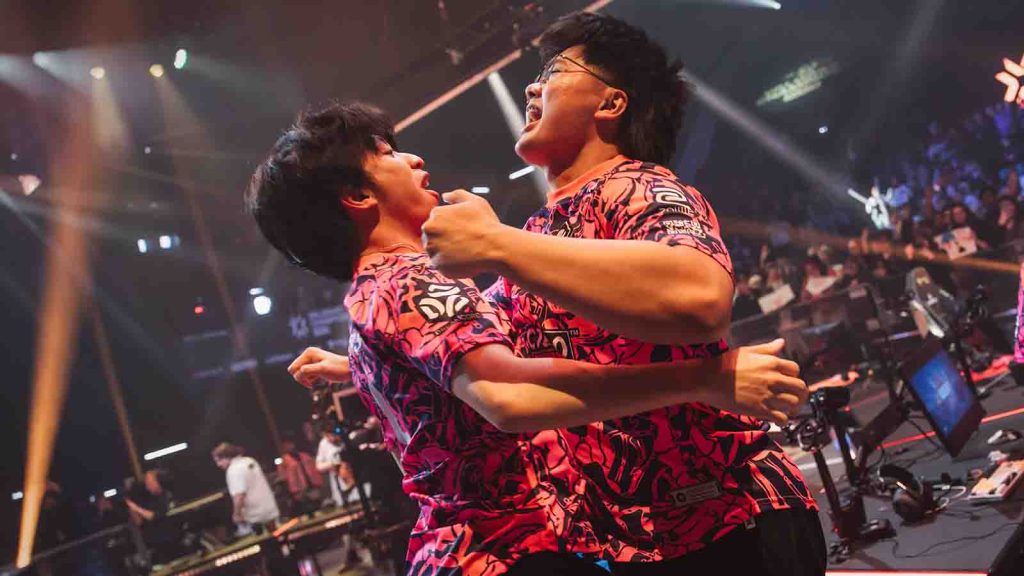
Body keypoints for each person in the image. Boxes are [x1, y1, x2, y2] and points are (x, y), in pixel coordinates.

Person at [248, 102, 807, 575]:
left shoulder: (375, 295)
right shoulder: (410, 279)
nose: (413, 158)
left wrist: (354, 366)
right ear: (356, 194)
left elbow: (465, 364)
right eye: (388, 154)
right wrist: (708, 379)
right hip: (509, 554)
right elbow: (508, 396)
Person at [422, 12, 824, 575]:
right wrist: (369, 355)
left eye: (553, 71)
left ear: (611, 104)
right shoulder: (539, 234)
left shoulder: (640, 186)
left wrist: (496, 244)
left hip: (730, 522)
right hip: (637, 543)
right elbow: (488, 344)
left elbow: (701, 298)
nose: (532, 87)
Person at [210, 443, 280, 535]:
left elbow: (239, 495)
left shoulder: (233, 470)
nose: (218, 465)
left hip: (255, 517)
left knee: (265, 545)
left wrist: (236, 514)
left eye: (219, 460)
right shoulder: (250, 461)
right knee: (277, 538)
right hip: (270, 509)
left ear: (227, 457)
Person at [124, 469, 182, 564]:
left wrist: (136, 508)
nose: (147, 485)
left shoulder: (166, 496)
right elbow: (139, 521)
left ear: (156, 482)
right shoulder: (148, 499)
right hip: (156, 545)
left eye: (149, 481)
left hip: (172, 540)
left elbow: (154, 516)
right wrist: (133, 510)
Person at [277, 436, 323, 514]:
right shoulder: (284, 461)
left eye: (290, 443)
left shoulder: (305, 456)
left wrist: (318, 483)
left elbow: (314, 469)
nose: (289, 446)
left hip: (312, 487)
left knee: (318, 509)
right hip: (298, 492)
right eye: (286, 444)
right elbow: (283, 477)